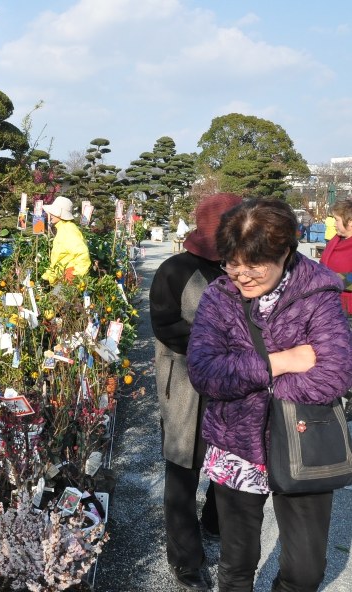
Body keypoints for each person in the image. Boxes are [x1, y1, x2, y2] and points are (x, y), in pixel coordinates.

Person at [187, 199, 352, 592]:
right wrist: (281, 362)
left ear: (285, 252)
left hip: (302, 440)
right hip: (236, 446)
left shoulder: (319, 291)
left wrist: (243, 377)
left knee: (305, 571)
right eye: (232, 263)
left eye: (253, 264)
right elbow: (205, 372)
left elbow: (334, 375)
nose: (241, 275)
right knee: (236, 563)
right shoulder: (218, 296)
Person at [150, 193, 241, 592]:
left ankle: (215, 523)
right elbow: (164, 324)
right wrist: (217, 346)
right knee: (183, 470)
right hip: (185, 384)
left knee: (232, 459)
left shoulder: (244, 265)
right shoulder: (175, 269)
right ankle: (185, 560)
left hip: (234, 384)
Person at [40, 196, 91, 283]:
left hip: (68, 278)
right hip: (62, 277)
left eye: (53, 213)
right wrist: (48, 276)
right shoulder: (62, 228)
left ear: (61, 214)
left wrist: (75, 275)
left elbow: (82, 253)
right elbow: (59, 258)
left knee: (57, 296)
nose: (51, 215)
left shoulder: (68, 229)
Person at [320, 198, 352, 317]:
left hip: (348, 311)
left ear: (350, 222)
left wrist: (332, 279)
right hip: (328, 304)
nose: (334, 223)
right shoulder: (336, 239)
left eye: (337, 220)